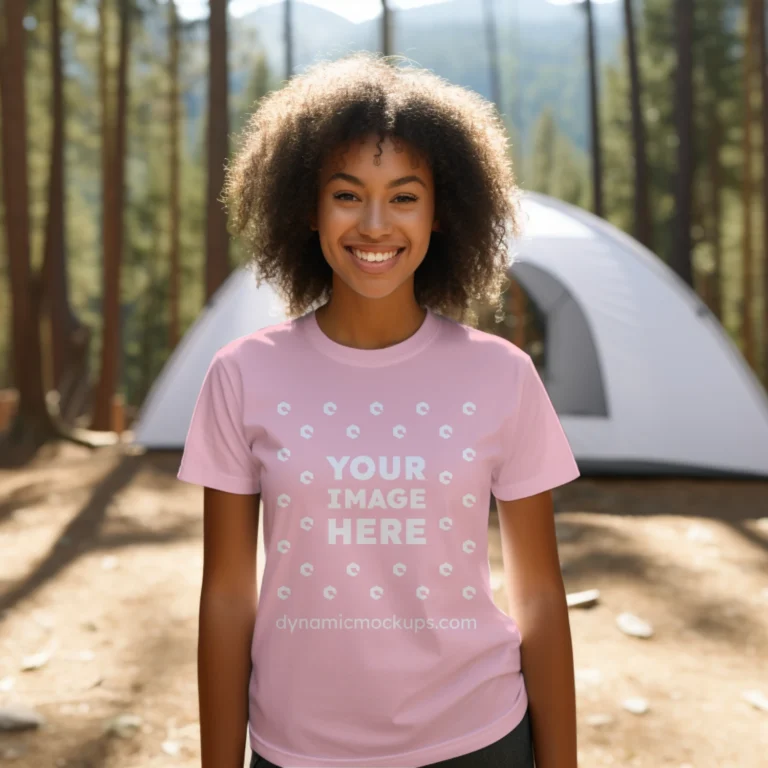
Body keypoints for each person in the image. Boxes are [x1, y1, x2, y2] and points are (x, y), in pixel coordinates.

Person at [178, 52, 580, 768]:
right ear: (305, 205)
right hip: (299, 749)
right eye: (345, 194)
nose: (373, 224)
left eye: (403, 196)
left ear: (440, 211)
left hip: (479, 737)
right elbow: (226, 598)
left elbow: (541, 597)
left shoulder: (503, 376)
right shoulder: (243, 375)